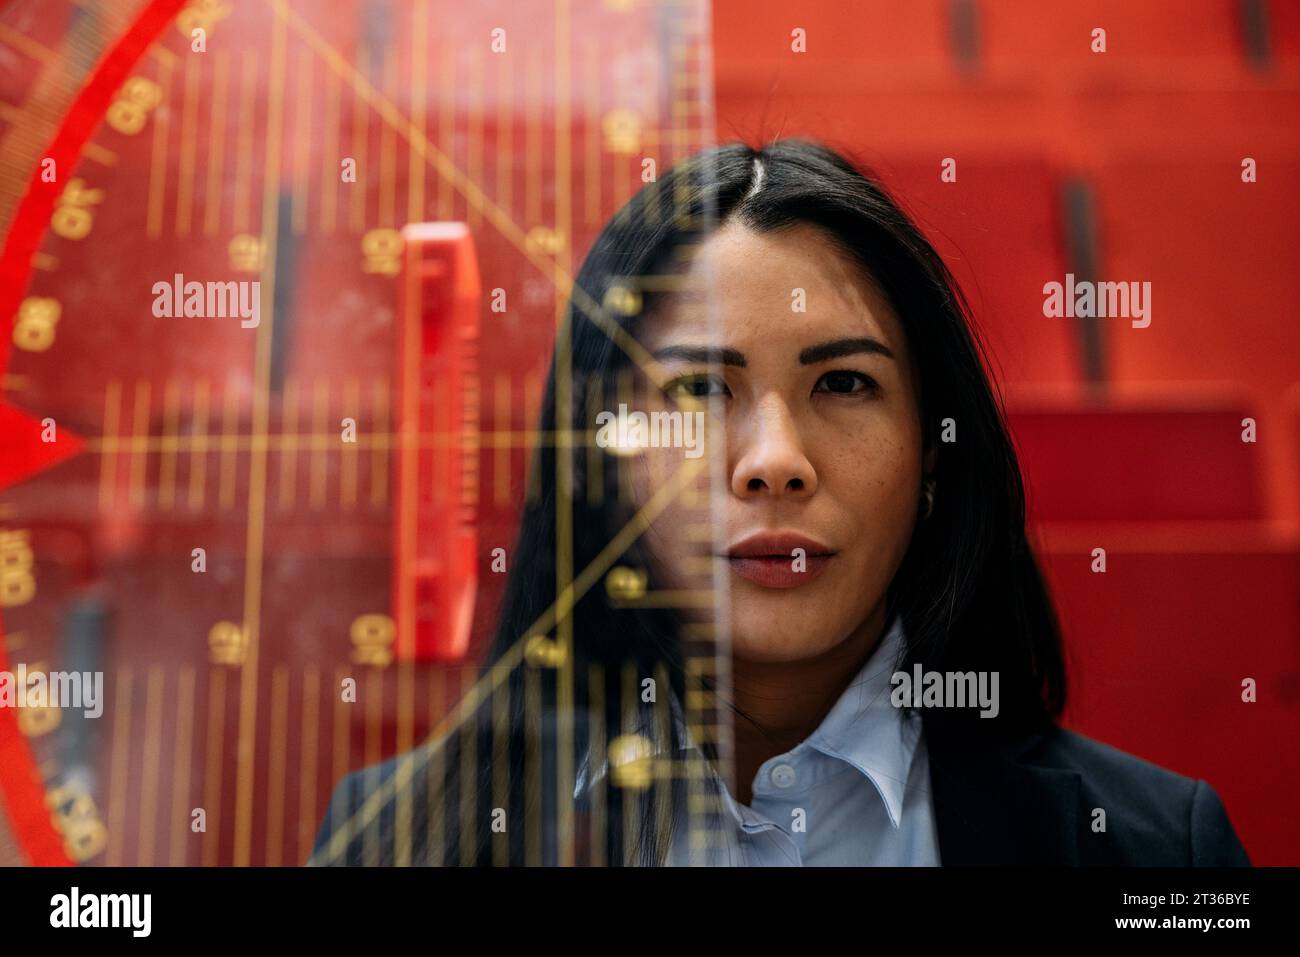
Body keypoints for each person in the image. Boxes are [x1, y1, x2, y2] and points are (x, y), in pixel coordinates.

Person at [309, 138, 1250, 867]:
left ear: (934, 455)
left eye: (843, 385)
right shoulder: (398, 837)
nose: (774, 463)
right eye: (697, 392)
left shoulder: (1157, 847)